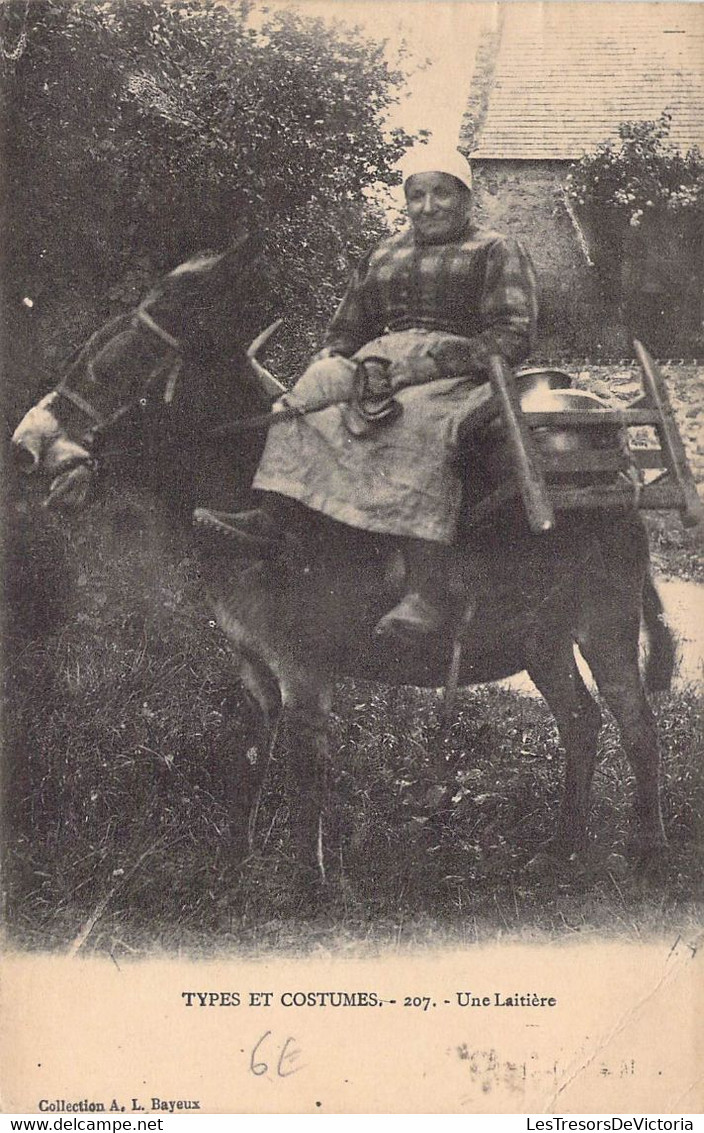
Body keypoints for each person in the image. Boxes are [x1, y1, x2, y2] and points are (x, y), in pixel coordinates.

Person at [196, 148, 538, 637]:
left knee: (416, 420)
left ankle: (428, 587)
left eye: (442, 192)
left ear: (466, 197)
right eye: (416, 194)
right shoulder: (384, 252)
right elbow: (346, 329)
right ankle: (276, 515)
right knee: (306, 396)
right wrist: (334, 361)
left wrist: (426, 366)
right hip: (376, 362)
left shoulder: (495, 249)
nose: (428, 205)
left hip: (456, 374)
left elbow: (512, 334)